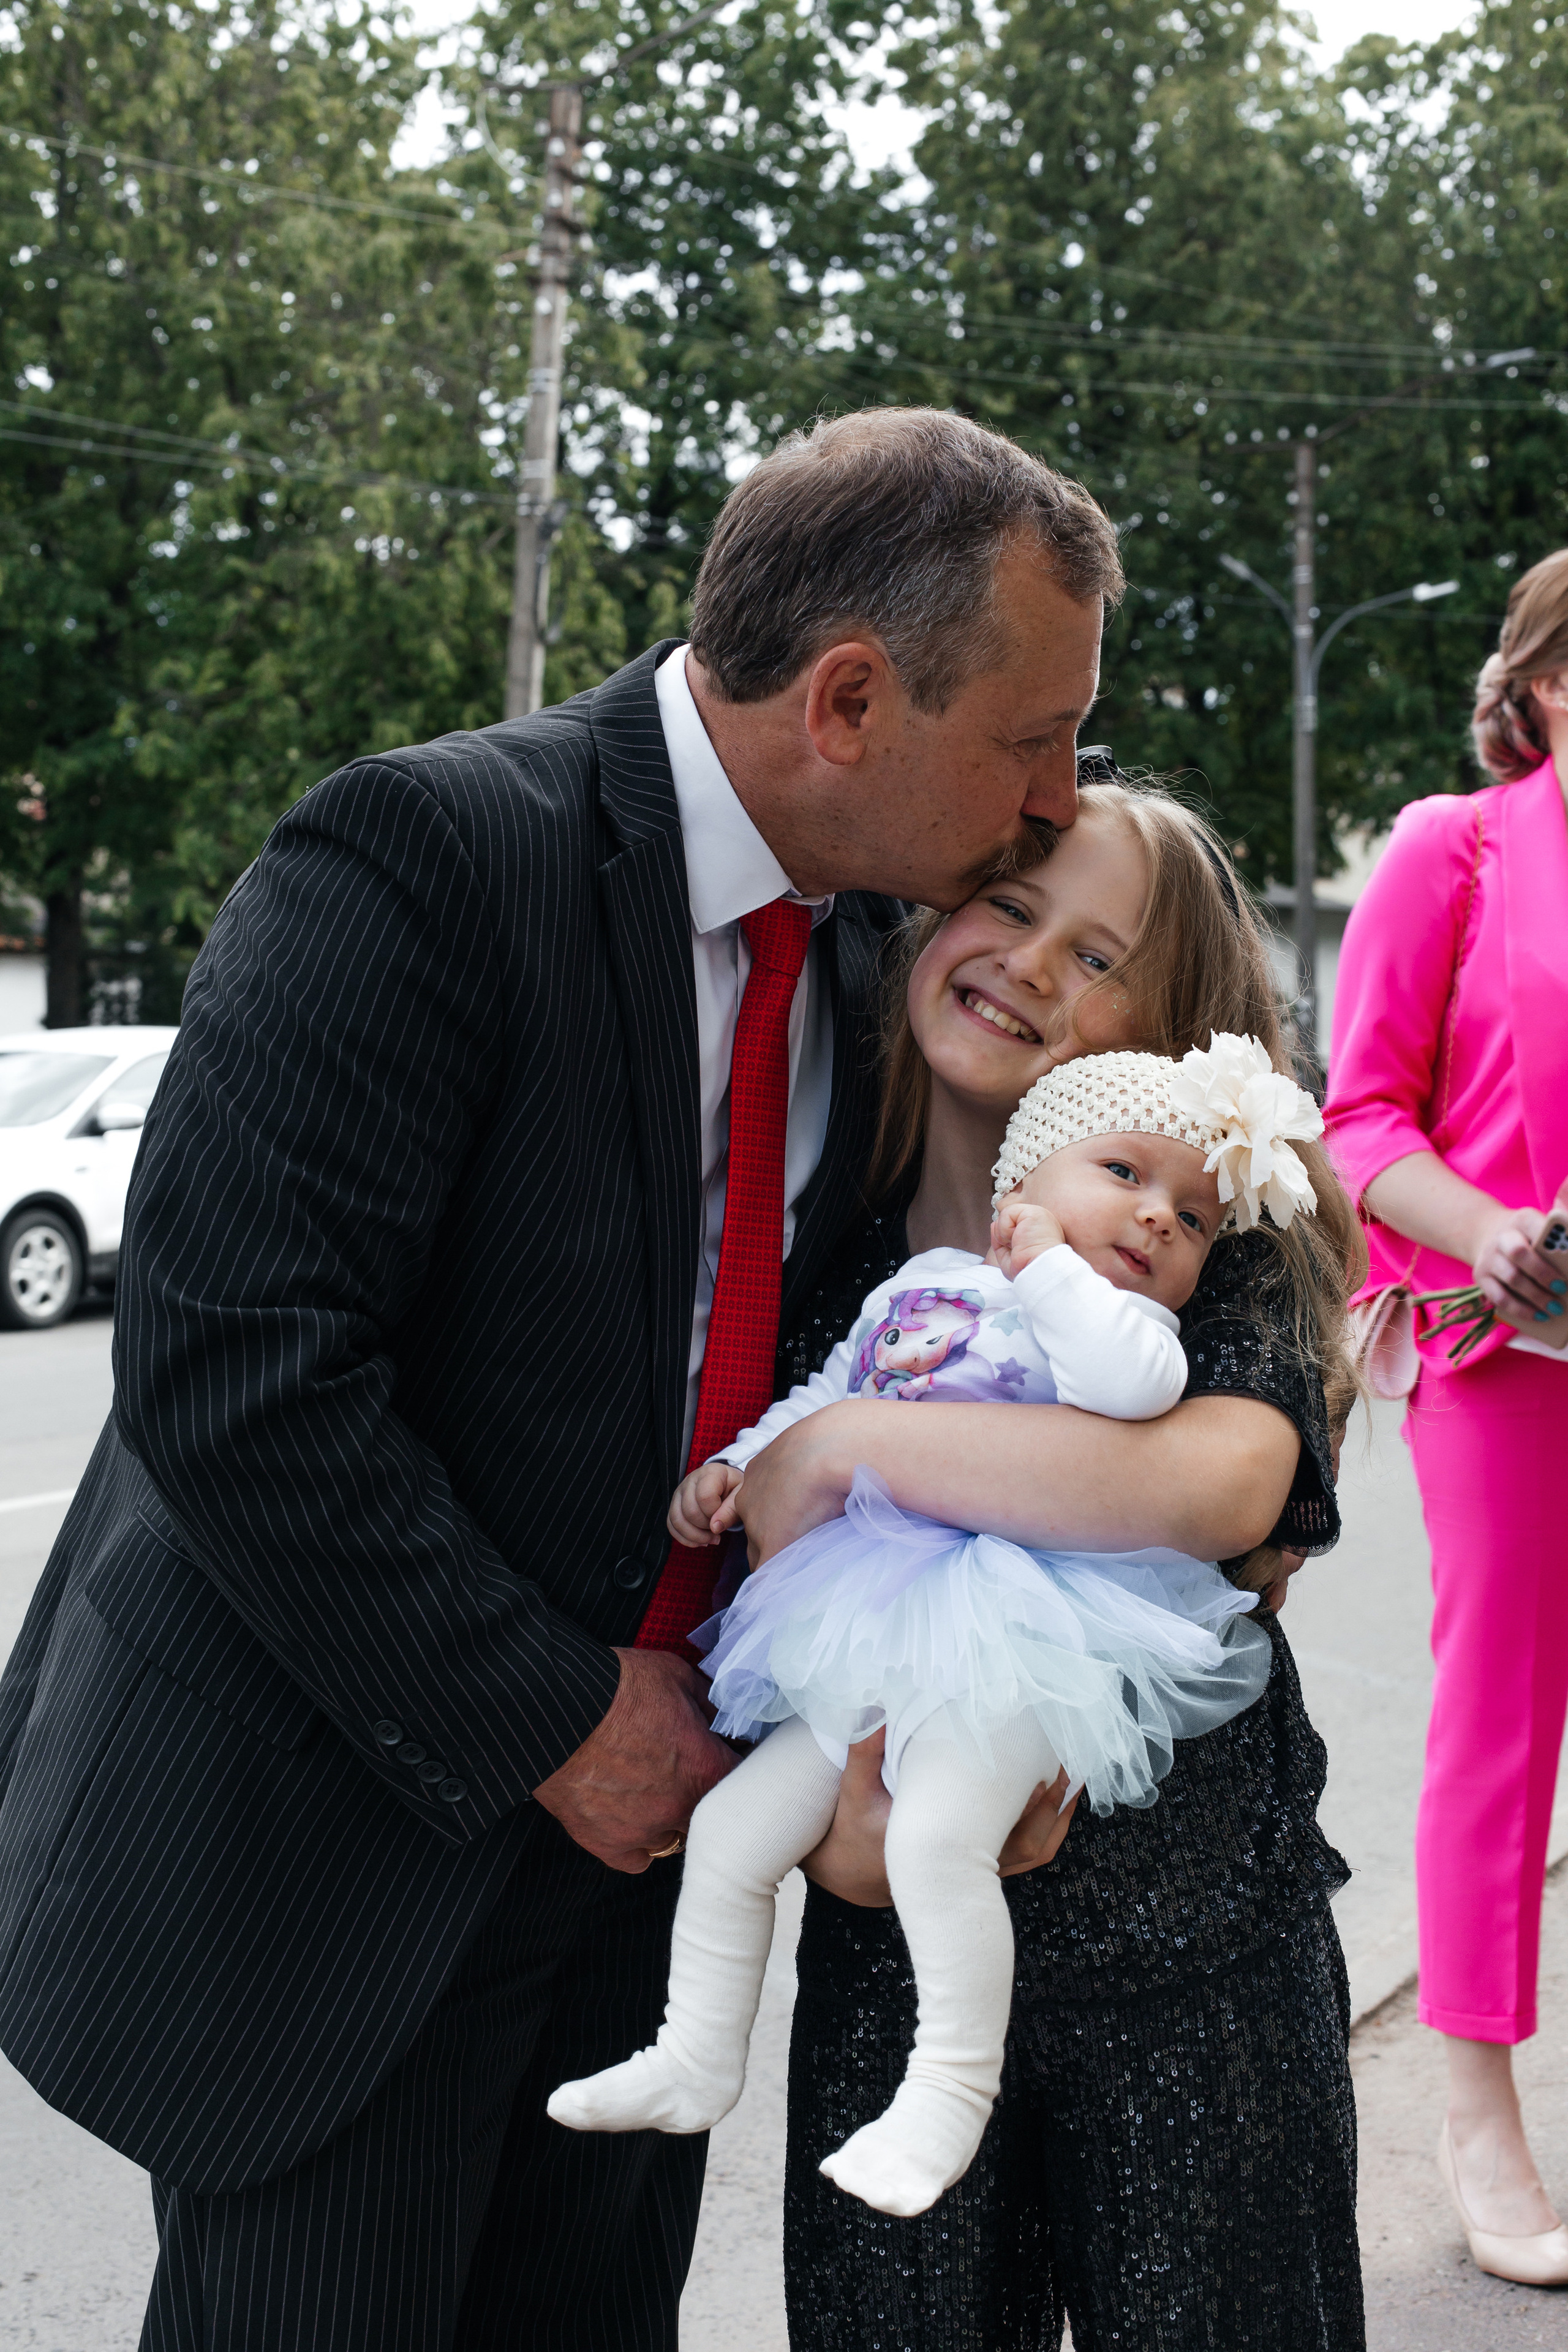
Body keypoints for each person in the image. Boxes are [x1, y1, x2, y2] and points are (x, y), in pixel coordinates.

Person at [0, 407, 1120, 2351]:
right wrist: (551, 1721)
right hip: (349, 1840)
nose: (1055, 797)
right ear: (849, 699)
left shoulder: (865, 951)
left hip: (641, 1873)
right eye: (1036, 738)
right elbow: (236, 1372)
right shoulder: (423, 852)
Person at [737, 777, 1369, 2350]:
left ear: (1166, 1038)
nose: (1030, 964)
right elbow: (773, 1604)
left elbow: (1222, 1473)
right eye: (1010, 907)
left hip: (1196, 1963)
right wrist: (829, 1843)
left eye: (1098, 959)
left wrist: (843, 1451)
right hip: (897, 1976)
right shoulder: (832, 1245)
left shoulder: (1191, 1249)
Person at [551, 1039, 1322, 2219]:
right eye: (1125, 1172)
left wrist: (1055, 1269)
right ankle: (694, 2050)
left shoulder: (1128, 1333)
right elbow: (838, 1399)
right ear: (1026, 1176)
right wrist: (739, 1467)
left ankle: (948, 2093)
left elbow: (1131, 1395)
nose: (1162, 1220)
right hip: (875, 1624)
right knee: (733, 1832)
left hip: (1024, 1638)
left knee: (934, 1843)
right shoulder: (923, 1288)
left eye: (1196, 1219)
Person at [1325, 548, 1568, 2287]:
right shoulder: (1455, 849)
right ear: (1547, 684)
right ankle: (1478, 2110)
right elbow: (1357, 1122)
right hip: (1513, 1355)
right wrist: (1488, 1225)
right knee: (1501, 1727)